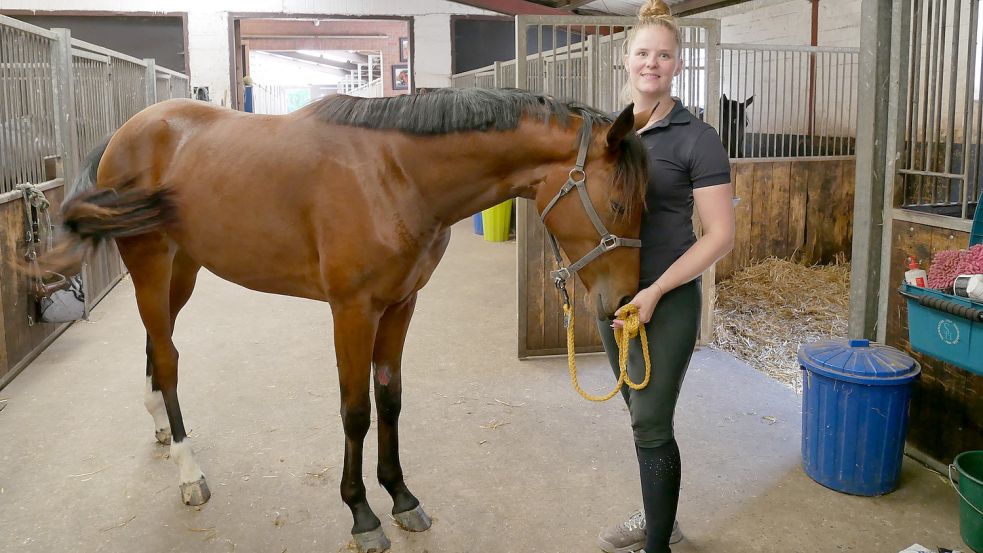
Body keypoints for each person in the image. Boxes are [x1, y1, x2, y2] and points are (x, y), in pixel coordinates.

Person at [595, 1, 735, 552]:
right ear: (625, 60)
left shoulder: (697, 138)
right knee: (638, 417)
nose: (652, 63)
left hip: (667, 297)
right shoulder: (610, 134)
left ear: (678, 65)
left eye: (664, 55)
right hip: (617, 298)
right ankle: (662, 518)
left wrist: (655, 291)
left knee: (652, 422)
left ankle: (657, 545)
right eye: (642, 53)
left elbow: (720, 234)